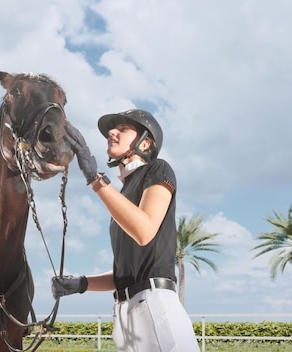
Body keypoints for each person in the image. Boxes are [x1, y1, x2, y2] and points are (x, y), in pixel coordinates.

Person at [52, 109, 200, 352]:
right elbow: (127, 273)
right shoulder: (120, 197)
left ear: (145, 142)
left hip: (155, 306)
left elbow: (144, 231)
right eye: (113, 129)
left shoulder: (158, 170)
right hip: (125, 312)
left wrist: (95, 178)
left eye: (122, 129)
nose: (111, 132)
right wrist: (82, 284)